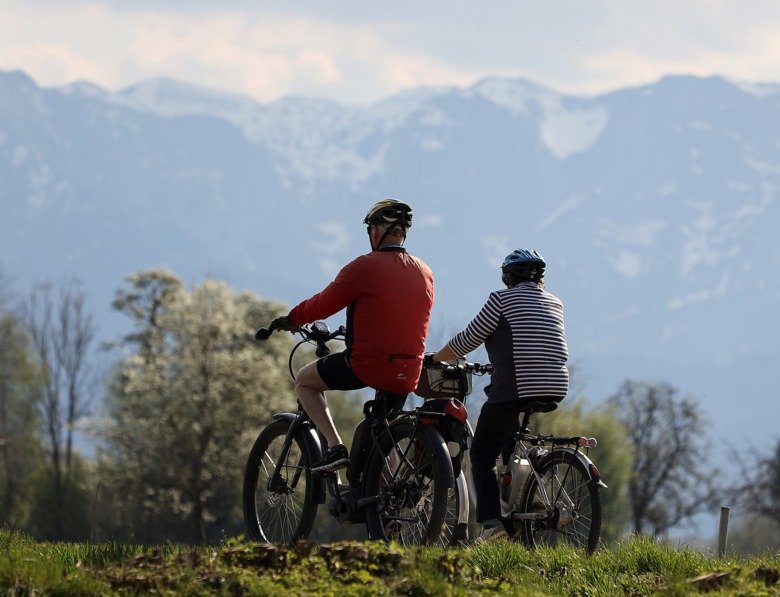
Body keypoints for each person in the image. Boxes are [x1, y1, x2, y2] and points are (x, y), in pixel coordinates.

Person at [271, 200, 435, 473]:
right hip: (409, 370)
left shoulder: (365, 267)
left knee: (304, 381)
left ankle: (335, 448)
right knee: (380, 435)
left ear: (375, 231)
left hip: (368, 365)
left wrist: (292, 318)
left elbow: (324, 303)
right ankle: (387, 504)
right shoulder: (425, 272)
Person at [431, 248, 568, 541]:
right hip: (556, 384)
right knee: (509, 435)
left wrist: (436, 358)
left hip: (518, 384)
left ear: (507, 276)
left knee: (481, 453)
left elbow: (468, 339)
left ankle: (492, 524)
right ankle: (526, 492)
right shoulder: (555, 302)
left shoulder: (501, 300)